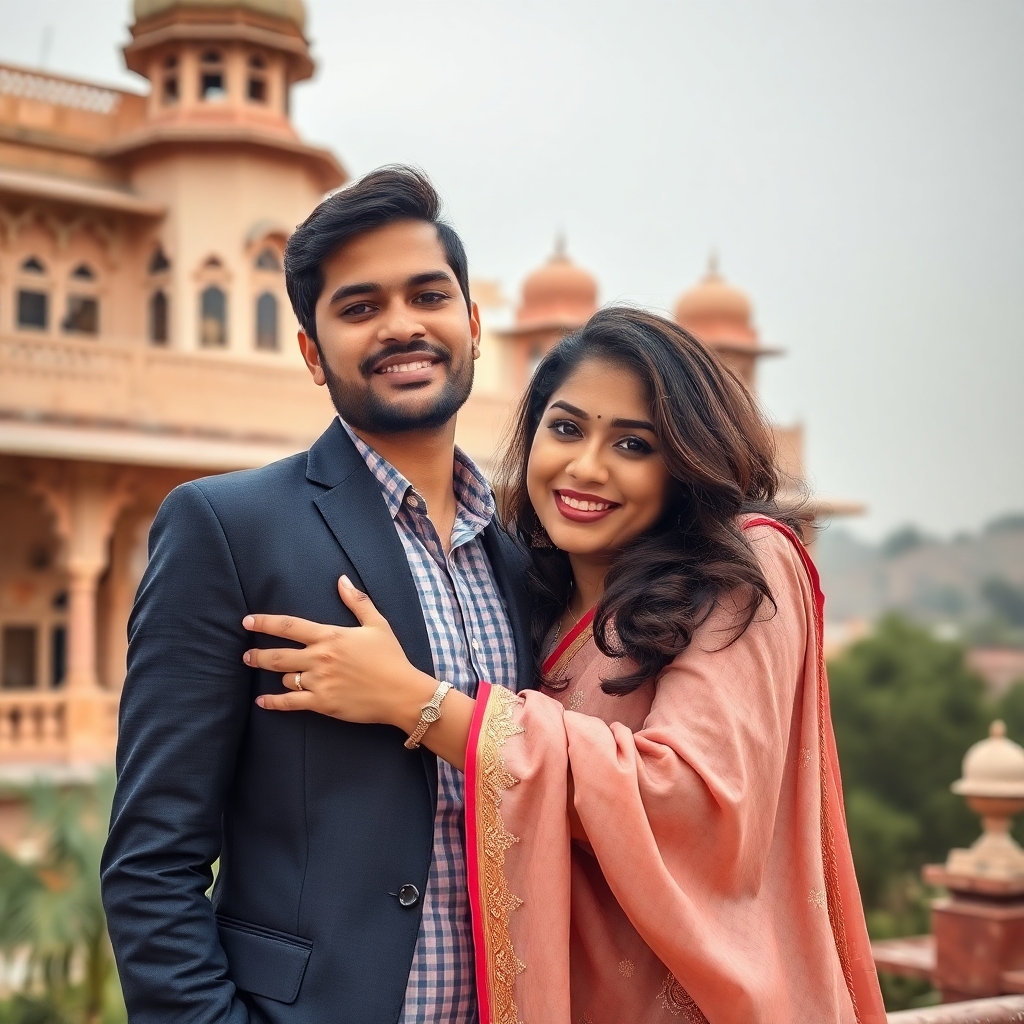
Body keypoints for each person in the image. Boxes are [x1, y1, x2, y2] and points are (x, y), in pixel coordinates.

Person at [247, 307, 888, 1023]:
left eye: (634, 444)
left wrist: (418, 704)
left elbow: (692, 802)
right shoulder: (522, 589)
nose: (586, 467)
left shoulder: (745, 567)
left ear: (684, 465)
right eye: (566, 428)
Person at [100, 166, 534, 1023]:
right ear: (311, 351)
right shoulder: (228, 527)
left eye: (428, 295)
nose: (402, 325)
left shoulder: (524, 561)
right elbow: (153, 860)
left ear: (474, 326)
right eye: (360, 306)